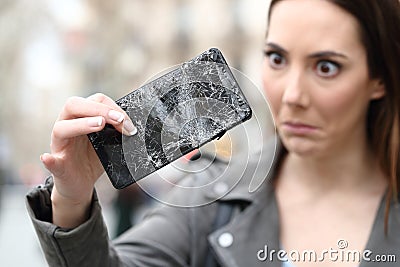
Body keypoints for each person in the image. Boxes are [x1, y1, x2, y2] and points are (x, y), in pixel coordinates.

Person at [26, 0, 400, 266]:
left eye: (326, 67)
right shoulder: (212, 200)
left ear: (379, 77)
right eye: (276, 58)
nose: (292, 95)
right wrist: (72, 201)